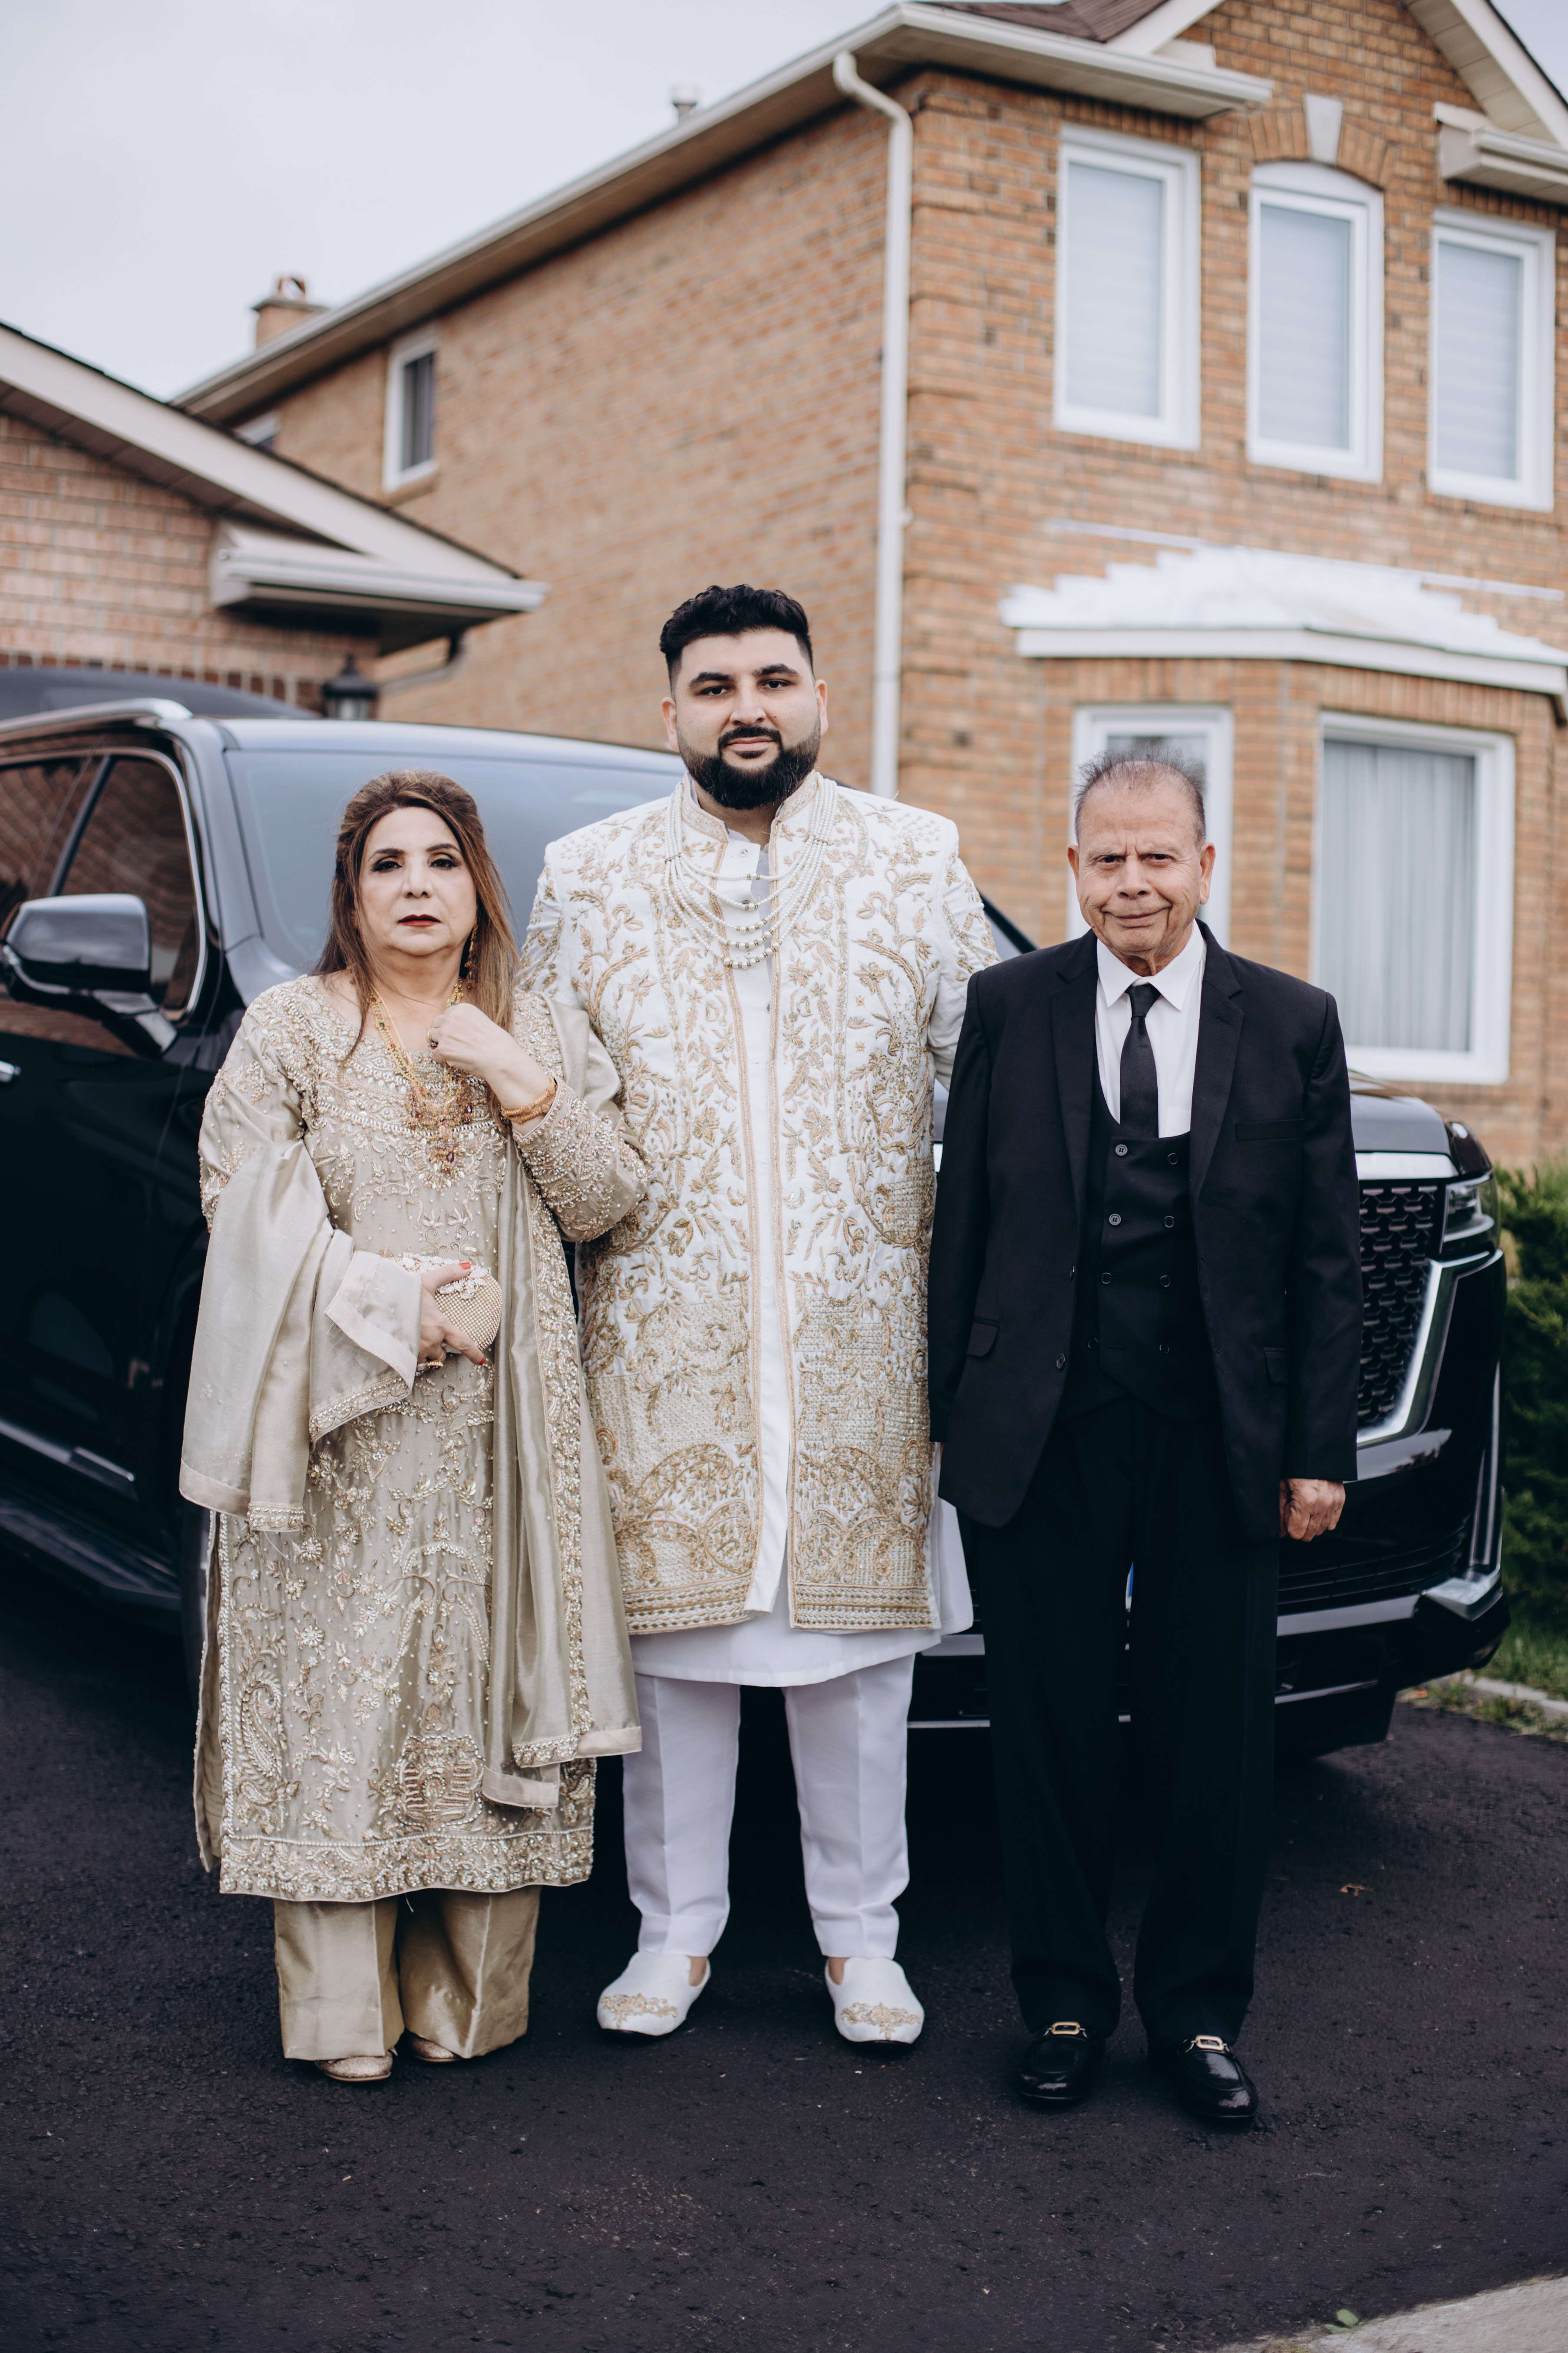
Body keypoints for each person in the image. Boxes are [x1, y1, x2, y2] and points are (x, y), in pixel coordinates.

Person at [522, 584, 995, 2046]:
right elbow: (556, 1114)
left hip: (864, 1334)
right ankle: (673, 1933)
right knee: (678, 1660)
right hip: (663, 1337)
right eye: (716, 685)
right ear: (668, 710)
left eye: (774, 680)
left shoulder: (914, 857)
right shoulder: (586, 875)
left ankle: (863, 1943)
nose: (748, 707)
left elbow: (992, 1090)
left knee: (856, 1664)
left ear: (818, 699)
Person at [182, 769, 645, 2082]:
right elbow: (241, 1206)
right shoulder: (293, 1030)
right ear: (352, 893)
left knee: (484, 1694)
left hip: (506, 1434)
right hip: (338, 1430)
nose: (417, 886)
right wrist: (401, 1310)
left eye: (441, 861)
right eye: (387, 865)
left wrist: (515, 1075)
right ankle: (341, 2019)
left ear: (477, 884)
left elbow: (606, 1198)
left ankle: (466, 2007)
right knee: (345, 1700)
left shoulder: (535, 1018)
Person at [928, 749, 1362, 2127]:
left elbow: (1325, 1260)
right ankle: (1061, 2002)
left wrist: (1318, 1448)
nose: (1132, 882)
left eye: (1156, 856)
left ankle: (1195, 2013)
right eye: (1105, 857)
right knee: (1044, 1730)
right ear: (1072, 867)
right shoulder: (1008, 1004)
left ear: (1203, 865)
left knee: (1212, 1738)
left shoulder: (1290, 1021)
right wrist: (947, 1424)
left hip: (1215, 1434)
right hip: (1040, 1430)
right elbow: (963, 1225)